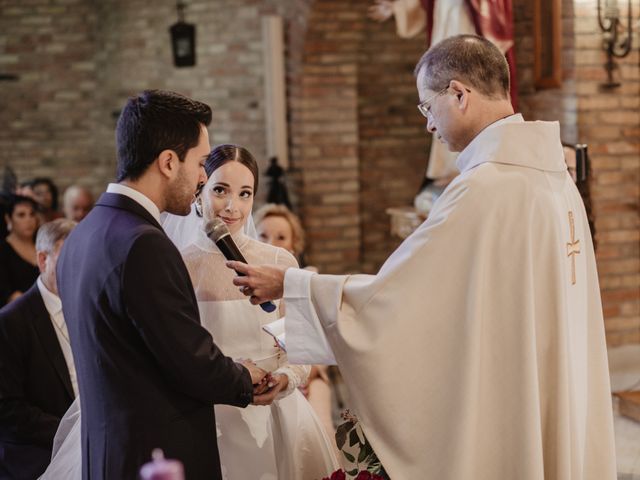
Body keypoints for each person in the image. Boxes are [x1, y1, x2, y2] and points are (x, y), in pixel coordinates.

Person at [228, 35, 617, 479]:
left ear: (459, 94)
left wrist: (290, 284)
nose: (428, 125)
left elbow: (396, 300)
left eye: (427, 107)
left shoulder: (484, 189)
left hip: (513, 393)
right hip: (556, 386)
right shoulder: (558, 181)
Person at [55, 90, 267, 480]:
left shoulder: (82, 236)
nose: (204, 176)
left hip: (105, 454)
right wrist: (246, 377)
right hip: (155, 456)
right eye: (201, 163)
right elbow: (188, 358)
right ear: (169, 162)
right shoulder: (144, 245)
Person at [178, 145, 338, 479]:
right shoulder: (179, 264)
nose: (232, 206)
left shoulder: (279, 262)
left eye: (245, 193)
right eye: (220, 190)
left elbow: (301, 348)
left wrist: (285, 379)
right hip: (209, 416)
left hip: (275, 415)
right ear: (200, 191)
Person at [0, 219, 77, 480]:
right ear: (43, 261)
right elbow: (7, 407)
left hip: (87, 444)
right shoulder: (10, 322)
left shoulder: (87, 308)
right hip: (36, 455)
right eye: (69, 257)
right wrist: (67, 432)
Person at [254, 203, 337, 440]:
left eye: (281, 237)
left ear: (294, 246)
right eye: (263, 235)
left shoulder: (307, 282)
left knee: (317, 430)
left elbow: (318, 347)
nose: (271, 243)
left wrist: (299, 376)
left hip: (308, 374)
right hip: (260, 373)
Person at [0, 195, 39, 307]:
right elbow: (8, 294)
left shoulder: (43, 245)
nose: (28, 220)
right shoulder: (3, 251)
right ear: (8, 219)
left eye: (32, 214)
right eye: (21, 215)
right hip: (14, 314)